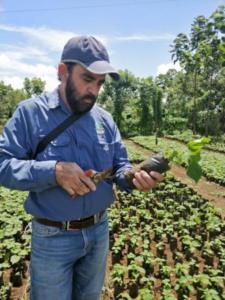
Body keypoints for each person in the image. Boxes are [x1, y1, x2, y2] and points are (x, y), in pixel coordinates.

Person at [0, 36, 163, 300]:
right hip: (53, 236)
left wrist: (134, 178)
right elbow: (3, 164)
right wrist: (53, 171)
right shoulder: (30, 114)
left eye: (100, 83)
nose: (94, 91)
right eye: (87, 79)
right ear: (63, 72)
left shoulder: (105, 119)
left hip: (98, 233)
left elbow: (119, 166)